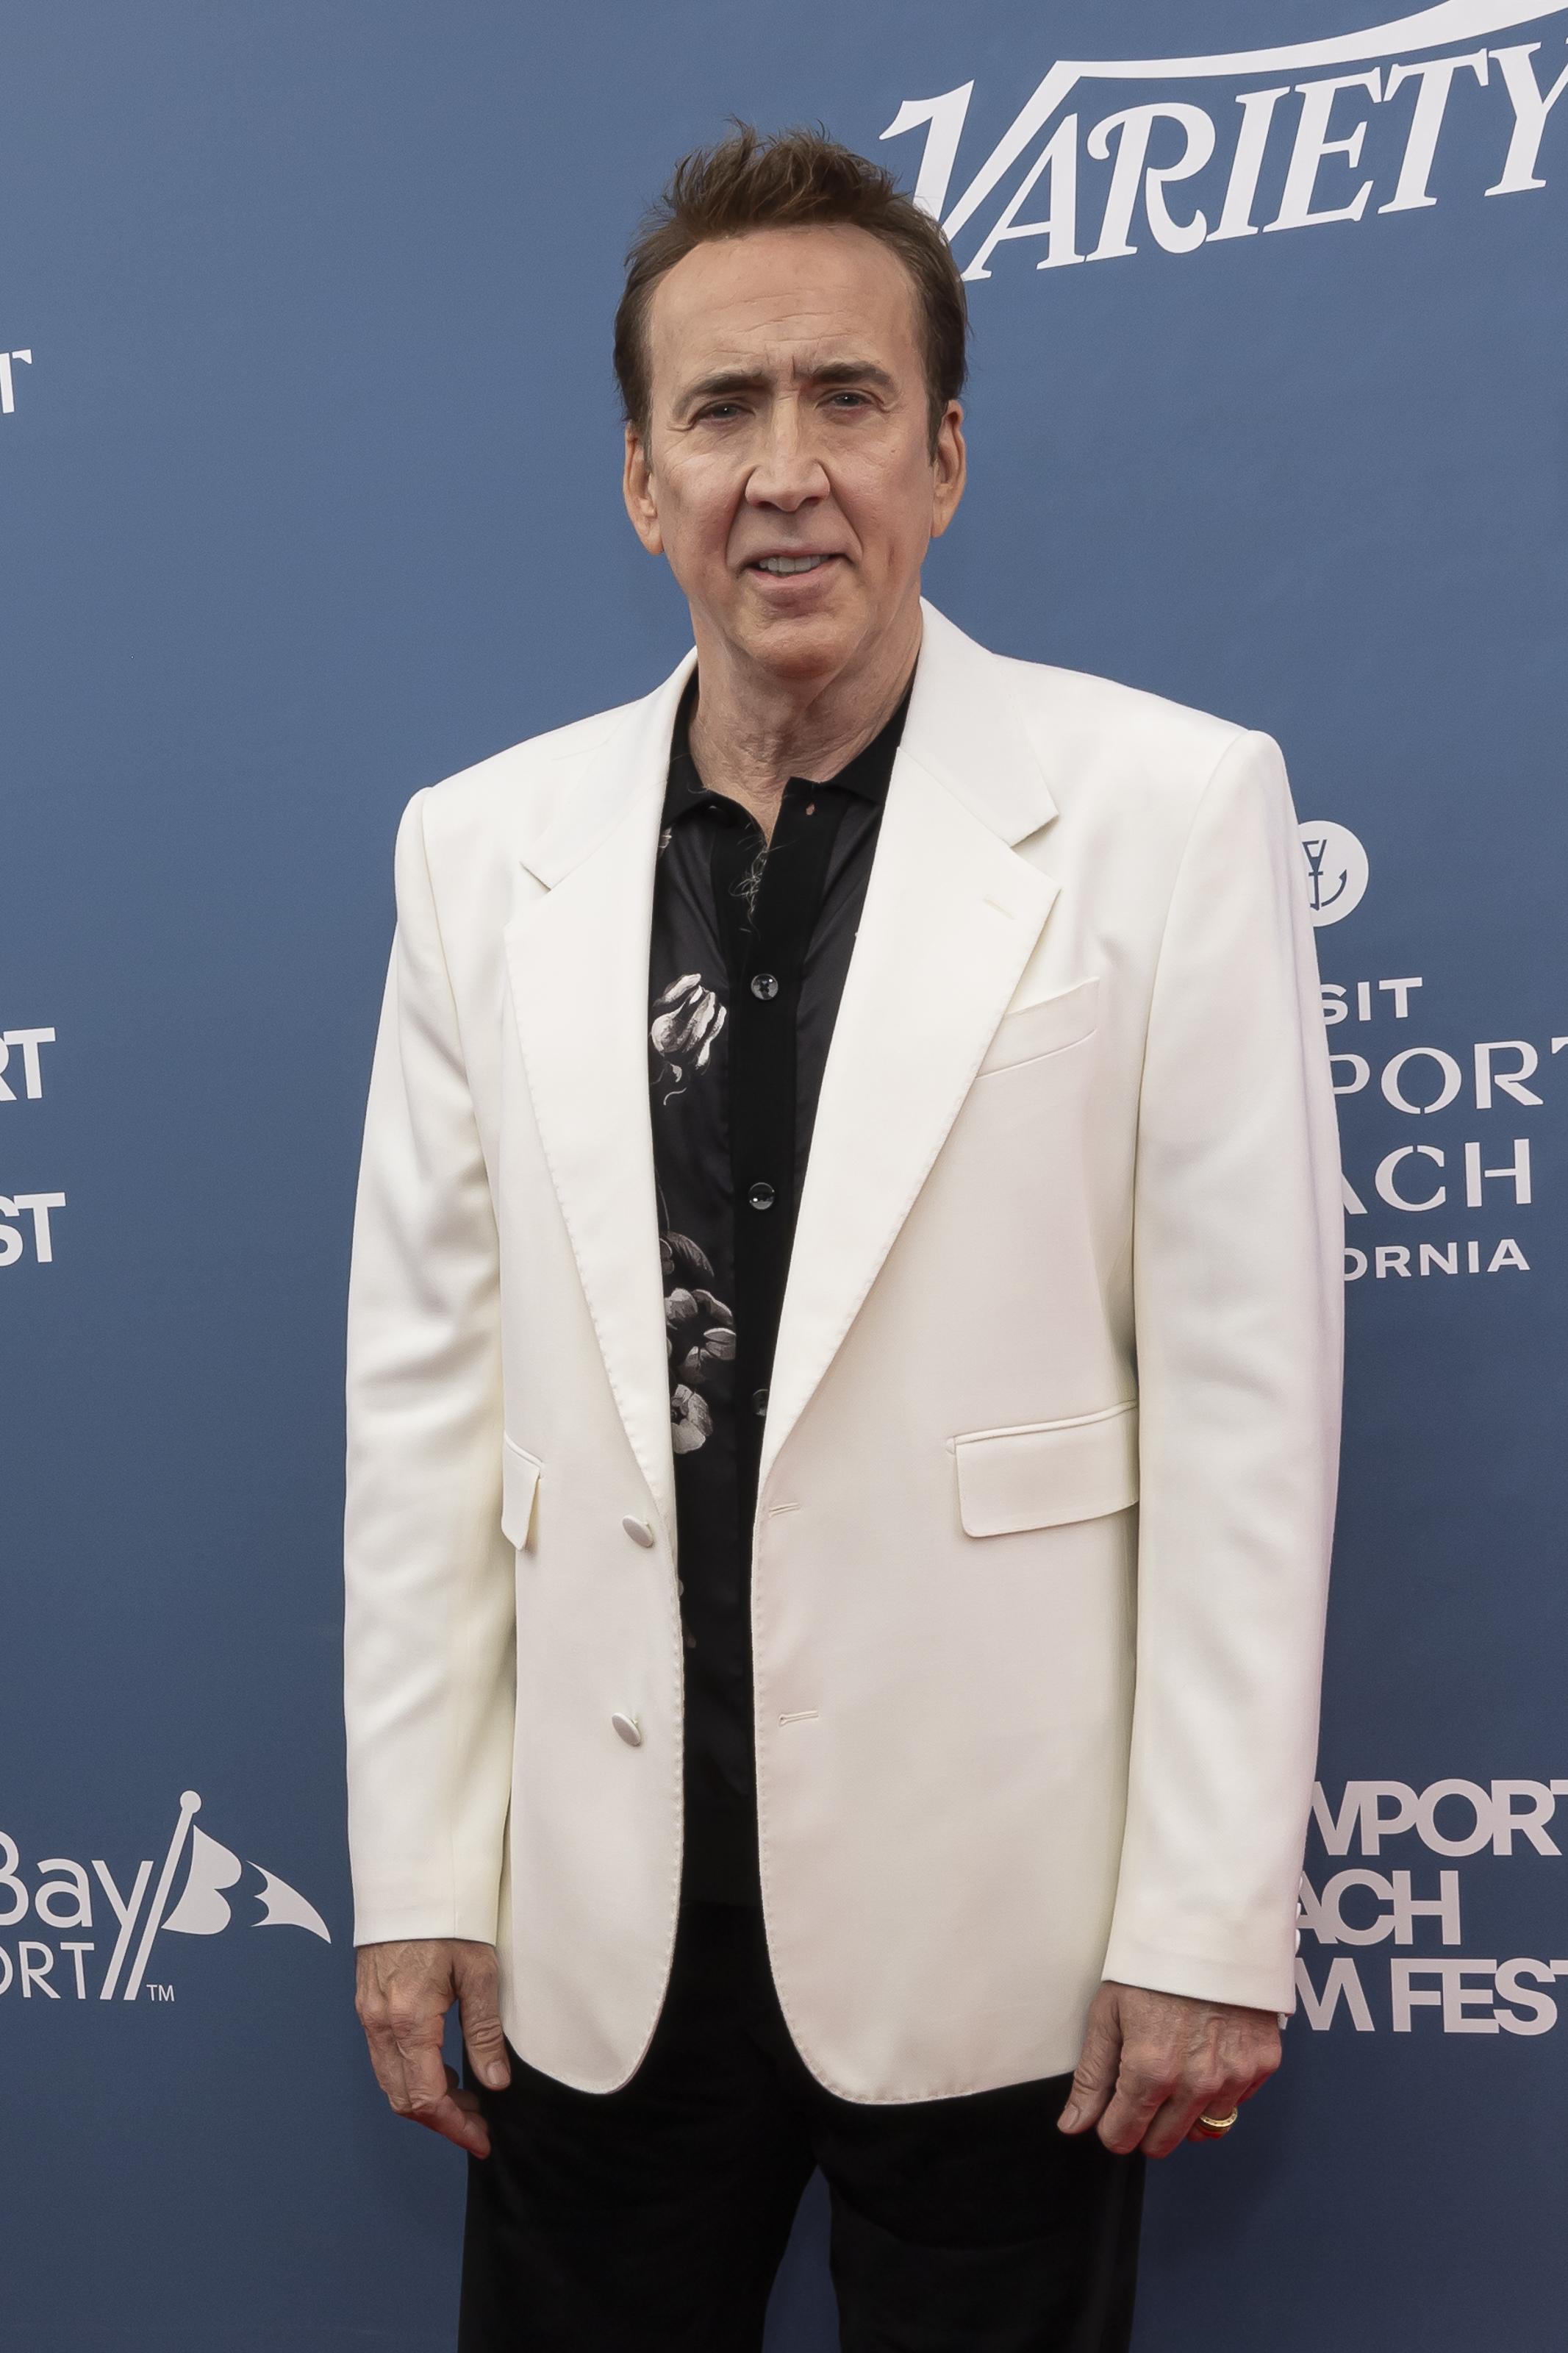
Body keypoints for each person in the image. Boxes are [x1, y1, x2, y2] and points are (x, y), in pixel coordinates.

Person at [343, 123, 1343, 2353]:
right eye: (722, 410)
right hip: (599, 1930)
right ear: (642, 479)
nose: (784, 472)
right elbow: (422, 1409)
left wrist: (1203, 1914)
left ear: (945, 457)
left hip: (1003, 1923)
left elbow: (1249, 1410)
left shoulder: (1169, 813)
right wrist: (418, 1870)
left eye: (847, 399)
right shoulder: (477, 853)